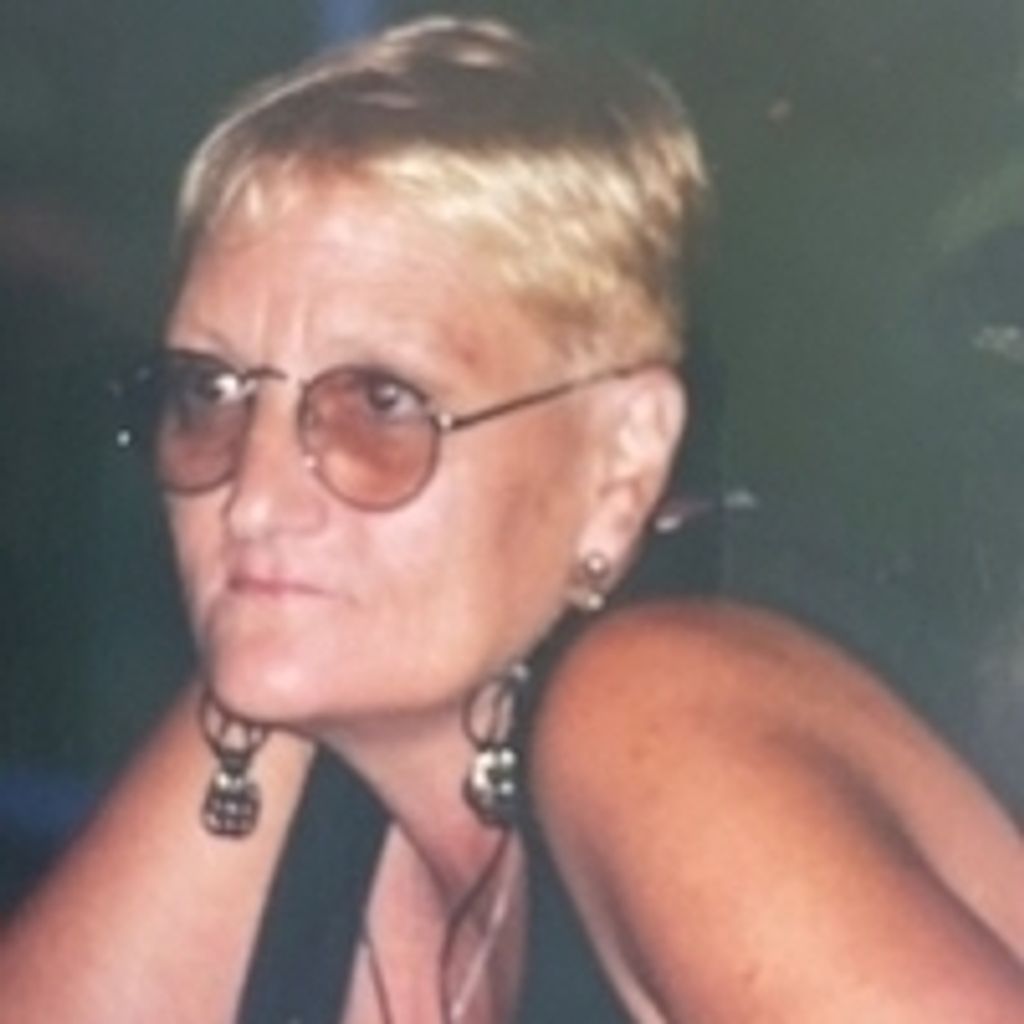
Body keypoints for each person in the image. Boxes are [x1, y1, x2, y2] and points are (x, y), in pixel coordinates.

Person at [1, 15, 1022, 1023]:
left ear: (621, 463)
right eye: (210, 393)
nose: (253, 499)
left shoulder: (657, 712)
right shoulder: (322, 681)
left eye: (383, 404)